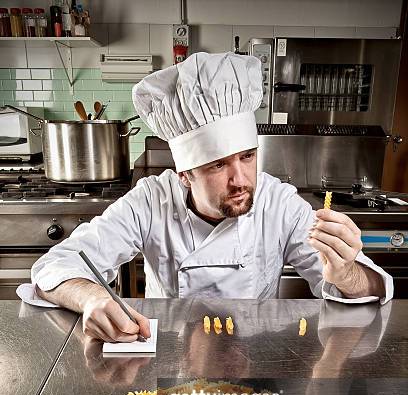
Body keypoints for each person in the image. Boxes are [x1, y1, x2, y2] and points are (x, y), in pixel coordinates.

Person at [17, 52, 393, 343]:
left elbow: (372, 289)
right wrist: (91, 298)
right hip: (166, 356)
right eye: (217, 166)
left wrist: (346, 274)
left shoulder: (278, 203)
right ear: (185, 174)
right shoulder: (151, 201)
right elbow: (56, 266)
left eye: (247, 157)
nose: (241, 179)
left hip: (257, 361)